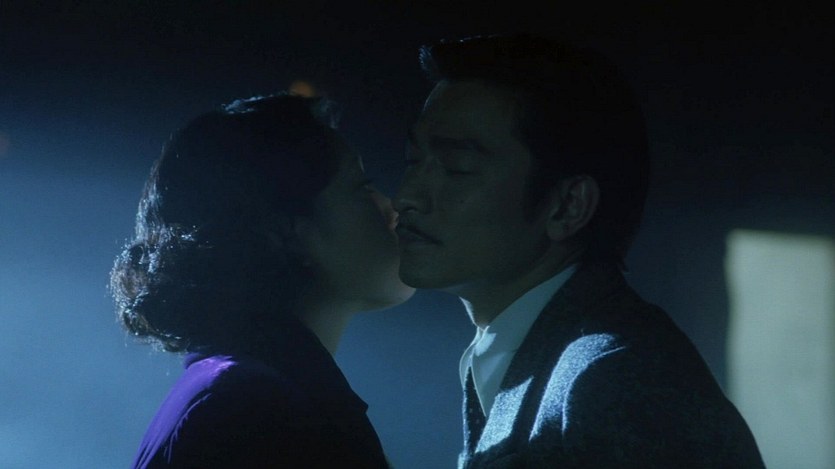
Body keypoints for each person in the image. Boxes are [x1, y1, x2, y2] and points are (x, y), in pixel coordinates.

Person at [394, 34, 765, 468]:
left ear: (568, 206)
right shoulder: (556, 358)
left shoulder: (617, 381)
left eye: (458, 169)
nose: (407, 196)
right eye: (412, 160)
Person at [111, 93, 414, 468]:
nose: (391, 207)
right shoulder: (253, 408)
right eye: (362, 186)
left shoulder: (247, 390)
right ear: (285, 230)